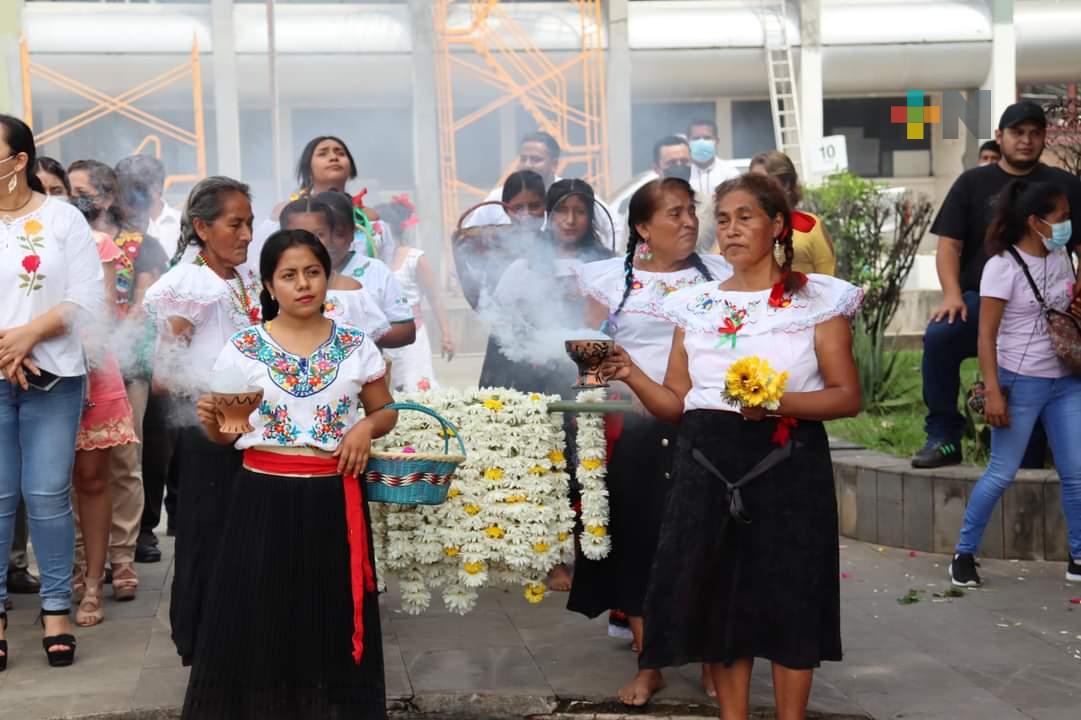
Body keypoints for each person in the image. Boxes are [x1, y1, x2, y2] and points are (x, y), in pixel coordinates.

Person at [600, 172, 861, 719]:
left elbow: (845, 396)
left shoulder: (816, 300)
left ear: (778, 225)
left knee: (790, 595)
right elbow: (677, 401)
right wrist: (629, 373)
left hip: (786, 460)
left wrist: (778, 404)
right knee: (720, 601)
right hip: (705, 462)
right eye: (722, 219)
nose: (731, 229)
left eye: (745, 217)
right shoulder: (693, 306)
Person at [182, 229, 397, 718]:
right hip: (261, 498)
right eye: (289, 275)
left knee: (330, 617)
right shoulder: (243, 348)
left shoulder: (356, 345)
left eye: (314, 272)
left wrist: (366, 426)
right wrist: (210, 424)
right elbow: (225, 436)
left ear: (327, 277)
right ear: (269, 284)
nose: (304, 284)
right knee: (261, 617)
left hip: (332, 499)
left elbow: (386, 411)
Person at [569, 177, 731, 706]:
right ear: (643, 228)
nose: (688, 222)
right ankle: (650, 660)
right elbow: (589, 354)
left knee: (709, 542)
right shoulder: (608, 279)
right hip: (637, 427)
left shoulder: (721, 276)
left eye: (691, 212)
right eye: (674, 214)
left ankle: (713, 659)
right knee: (640, 542)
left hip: (704, 423)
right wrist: (621, 381)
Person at [914, 101, 1081, 468]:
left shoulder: (1063, 185)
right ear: (1000, 137)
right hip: (985, 301)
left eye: (1035, 133)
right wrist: (953, 294)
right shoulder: (973, 183)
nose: (1026, 141)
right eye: (1017, 133)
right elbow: (949, 246)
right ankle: (943, 435)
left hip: (1053, 309)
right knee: (941, 337)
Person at [0, 114, 106, 669]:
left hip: (54, 376)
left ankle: (57, 609)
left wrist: (28, 336)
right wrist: (6, 351)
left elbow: (86, 296)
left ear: (18, 162)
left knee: (46, 496)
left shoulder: (63, 220)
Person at [144, 176, 262, 665]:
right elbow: (163, 377)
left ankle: (239, 634)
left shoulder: (236, 278)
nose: (247, 235)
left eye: (250, 223)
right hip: (208, 429)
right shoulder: (189, 286)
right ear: (201, 227)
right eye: (235, 224)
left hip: (246, 425)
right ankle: (202, 641)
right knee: (207, 536)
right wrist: (222, 397)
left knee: (244, 535)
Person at [486, 178, 615, 592]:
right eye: (562, 210)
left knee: (590, 463)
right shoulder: (524, 267)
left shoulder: (608, 264)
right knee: (547, 465)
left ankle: (589, 550)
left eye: (580, 211)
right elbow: (502, 330)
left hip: (590, 375)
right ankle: (551, 557)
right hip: (535, 379)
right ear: (549, 214)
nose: (571, 220)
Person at [950, 180, 1081, 587]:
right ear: (1034, 221)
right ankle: (964, 553)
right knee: (1002, 472)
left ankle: (1078, 557)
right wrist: (993, 392)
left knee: (1076, 472)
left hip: (1065, 381)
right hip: (1019, 382)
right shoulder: (1001, 267)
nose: (1067, 224)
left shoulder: (1062, 257)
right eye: (1061, 217)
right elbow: (985, 337)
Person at [70, 197, 140, 626]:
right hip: (23, 363)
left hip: (90, 366)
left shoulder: (96, 244)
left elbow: (103, 313)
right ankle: (66, 578)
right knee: (44, 488)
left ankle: (95, 580)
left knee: (94, 477)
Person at [453, 170, 547, 389]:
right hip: (504, 343)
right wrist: (460, 261)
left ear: (546, 206)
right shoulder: (491, 245)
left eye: (535, 206)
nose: (526, 215)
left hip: (548, 344)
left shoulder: (555, 245)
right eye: (518, 208)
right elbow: (478, 302)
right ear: (506, 208)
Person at [464, 131, 615, 250]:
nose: (528, 165)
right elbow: (466, 239)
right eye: (523, 159)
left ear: (554, 164)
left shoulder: (570, 192)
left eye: (536, 159)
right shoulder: (499, 196)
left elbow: (614, 227)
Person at [255, 136, 394, 264]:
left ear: (350, 167)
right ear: (307, 167)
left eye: (340, 153)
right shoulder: (286, 213)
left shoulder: (369, 219)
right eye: (323, 153)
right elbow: (262, 261)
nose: (334, 157)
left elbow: (387, 264)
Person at [279, 196, 391, 343]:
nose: (308, 243)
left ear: (331, 236)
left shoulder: (352, 291)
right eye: (298, 235)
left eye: (319, 234)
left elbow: (370, 350)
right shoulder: (270, 287)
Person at [317, 190, 416, 349]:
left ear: (352, 234)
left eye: (339, 234)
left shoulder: (374, 270)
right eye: (320, 234)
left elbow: (406, 330)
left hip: (361, 370)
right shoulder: (293, 273)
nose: (329, 242)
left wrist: (355, 335)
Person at [376, 195, 454, 393]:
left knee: (414, 386)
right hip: (380, 337)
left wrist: (446, 334)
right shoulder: (369, 261)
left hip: (412, 336)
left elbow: (435, 298)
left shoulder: (414, 258)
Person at [748, 150, 836, 275]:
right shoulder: (739, 227)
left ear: (787, 184)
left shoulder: (809, 225)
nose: (757, 189)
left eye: (764, 182)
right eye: (752, 183)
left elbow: (829, 281)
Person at [117, 154, 182, 258]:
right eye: (122, 188)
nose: (126, 195)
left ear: (155, 189)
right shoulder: (118, 226)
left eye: (134, 188)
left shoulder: (183, 225)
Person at [686, 118, 739, 200]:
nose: (701, 142)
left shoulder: (730, 173)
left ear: (717, 141)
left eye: (707, 138)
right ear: (688, 141)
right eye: (696, 138)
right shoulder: (682, 172)